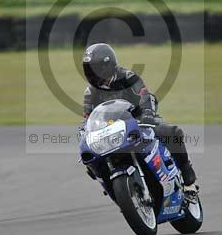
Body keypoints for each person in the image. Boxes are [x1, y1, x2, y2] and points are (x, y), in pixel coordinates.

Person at [81, 43, 198, 196]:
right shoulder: (90, 92)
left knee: (172, 132)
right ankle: (113, 188)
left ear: (108, 66)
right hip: (111, 132)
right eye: (89, 70)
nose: (92, 74)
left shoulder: (128, 77)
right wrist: (85, 131)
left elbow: (144, 96)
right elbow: (87, 118)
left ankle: (188, 177)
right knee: (90, 157)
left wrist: (147, 113)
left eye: (95, 69)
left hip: (139, 121)